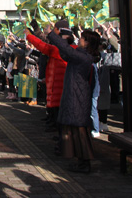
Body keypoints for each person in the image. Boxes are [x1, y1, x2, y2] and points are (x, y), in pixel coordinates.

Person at [47, 26, 101, 173]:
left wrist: (51, 34)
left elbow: (66, 50)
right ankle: (81, 161)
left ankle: (85, 163)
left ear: (88, 43)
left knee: (80, 132)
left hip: (78, 98)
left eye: (82, 38)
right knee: (76, 131)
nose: (80, 39)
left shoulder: (83, 57)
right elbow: (65, 52)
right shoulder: (81, 55)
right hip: (76, 97)